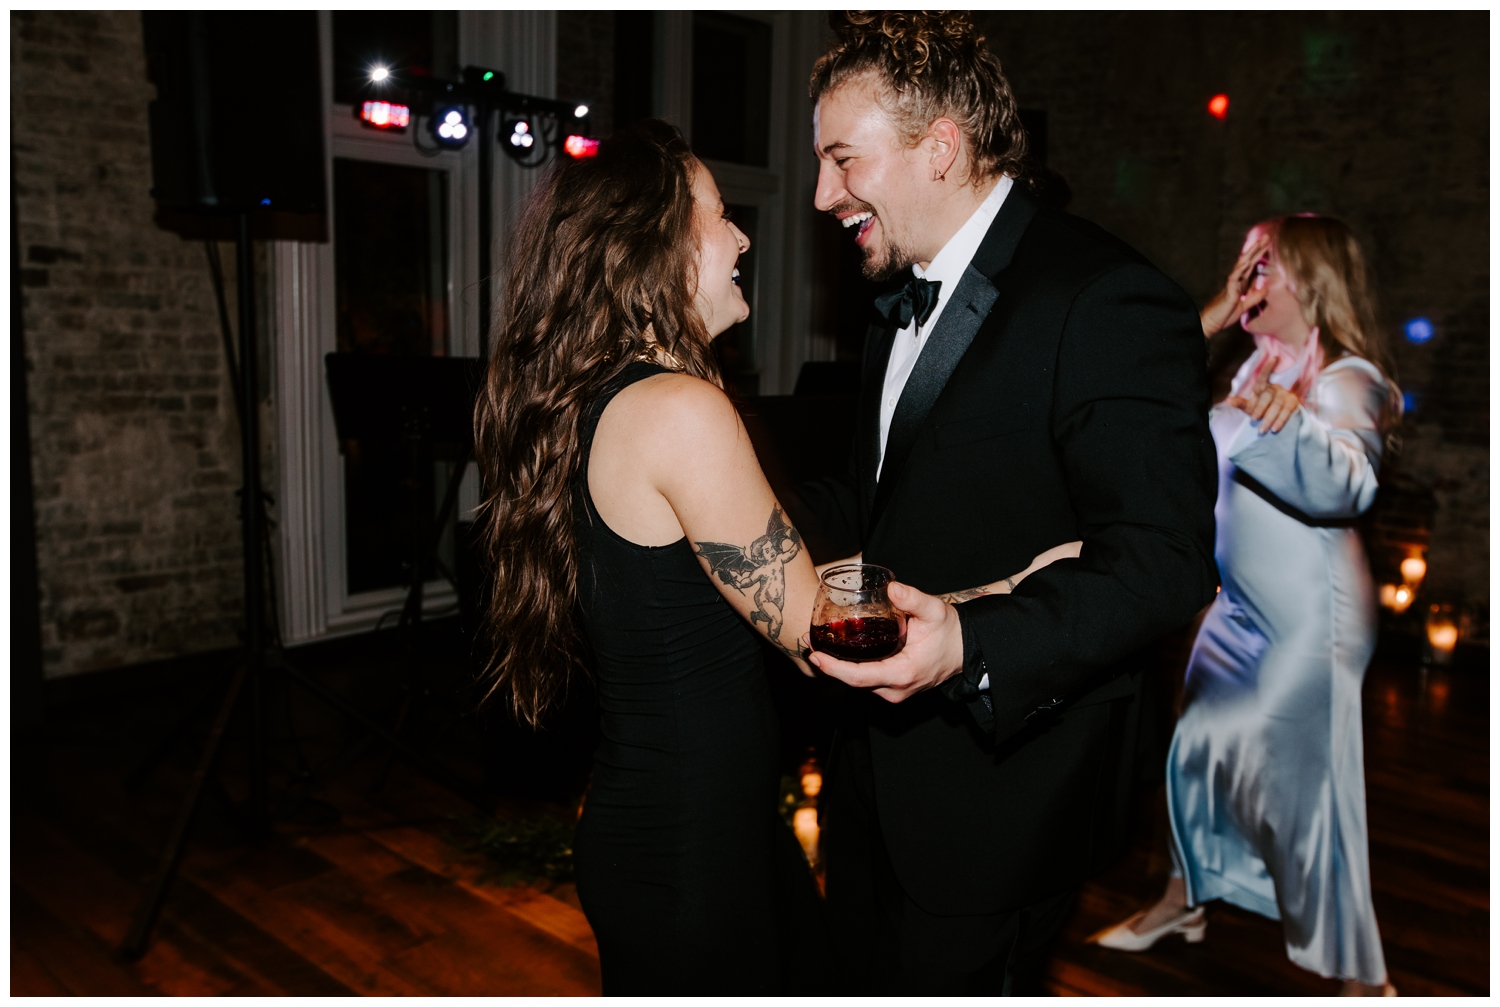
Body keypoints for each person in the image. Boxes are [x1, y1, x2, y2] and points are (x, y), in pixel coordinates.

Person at [471, 120, 1072, 994]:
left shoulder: (606, 395)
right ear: (658, 245)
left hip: (689, 825)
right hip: (689, 850)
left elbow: (772, 586)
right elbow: (821, 635)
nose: (744, 238)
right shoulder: (678, 409)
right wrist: (1022, 582)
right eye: (720, 215)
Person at [791, 12, 1220, 995]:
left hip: (1002, 792)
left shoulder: (1107, 297)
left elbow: (1162, 559)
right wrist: (723, 504)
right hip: (868, 775)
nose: (822, 193)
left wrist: (968, 643)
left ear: (939, 147)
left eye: (842, 159)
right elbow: (876, 500)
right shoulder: (896, 292)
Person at [1092, 215, 1401, 997]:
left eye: (1261, 266)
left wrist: (1292, 424)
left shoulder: (1345, 376)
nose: (1246, 279)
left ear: (1313, 283)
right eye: (1243, 264)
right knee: (1194, 752)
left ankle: (1360, 979)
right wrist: (1211, 318)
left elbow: (1350, 482)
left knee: (1305, 795)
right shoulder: (1252, 367)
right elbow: (1148, 402)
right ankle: (1182, 901)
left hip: (1310, 620)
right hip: (1237, 612)